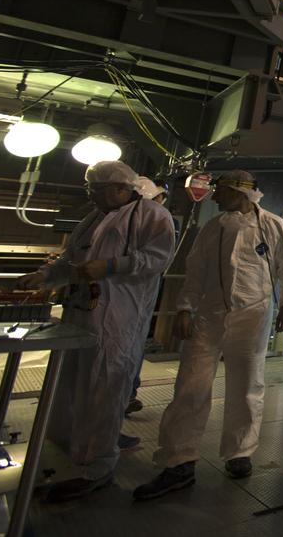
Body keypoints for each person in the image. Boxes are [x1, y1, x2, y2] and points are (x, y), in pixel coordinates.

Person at [15, 160, 176, 502]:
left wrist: (113, 266)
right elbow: (73, 261)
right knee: (69, 387)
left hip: (118, 317)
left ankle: (97, 467)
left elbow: (158, 259)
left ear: (121, 188)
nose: (92, 198)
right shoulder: (93, 219)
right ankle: (65, 454)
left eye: (97, 191)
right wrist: (48, 277)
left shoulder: (150, 215)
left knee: (105, 390)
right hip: (79, 315)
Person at [134, 170, 283, 499]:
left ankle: (240, 452)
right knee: (190, 385)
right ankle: (179, 460)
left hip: (253, 317)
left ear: (239, 192)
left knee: (247, 386)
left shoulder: (273, 225)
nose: (214, 196)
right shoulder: (214, 228)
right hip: (210, 316)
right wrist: (184, 307)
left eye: (219, 190)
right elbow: (196, 269)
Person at [125, 177, 173, 419]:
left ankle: (122, 401)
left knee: (124, 353)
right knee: (126, 353)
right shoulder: (156, 216)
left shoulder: (114, 216)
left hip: (123, 299)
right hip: (131, 300)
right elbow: (158, 258)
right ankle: (121, 404)